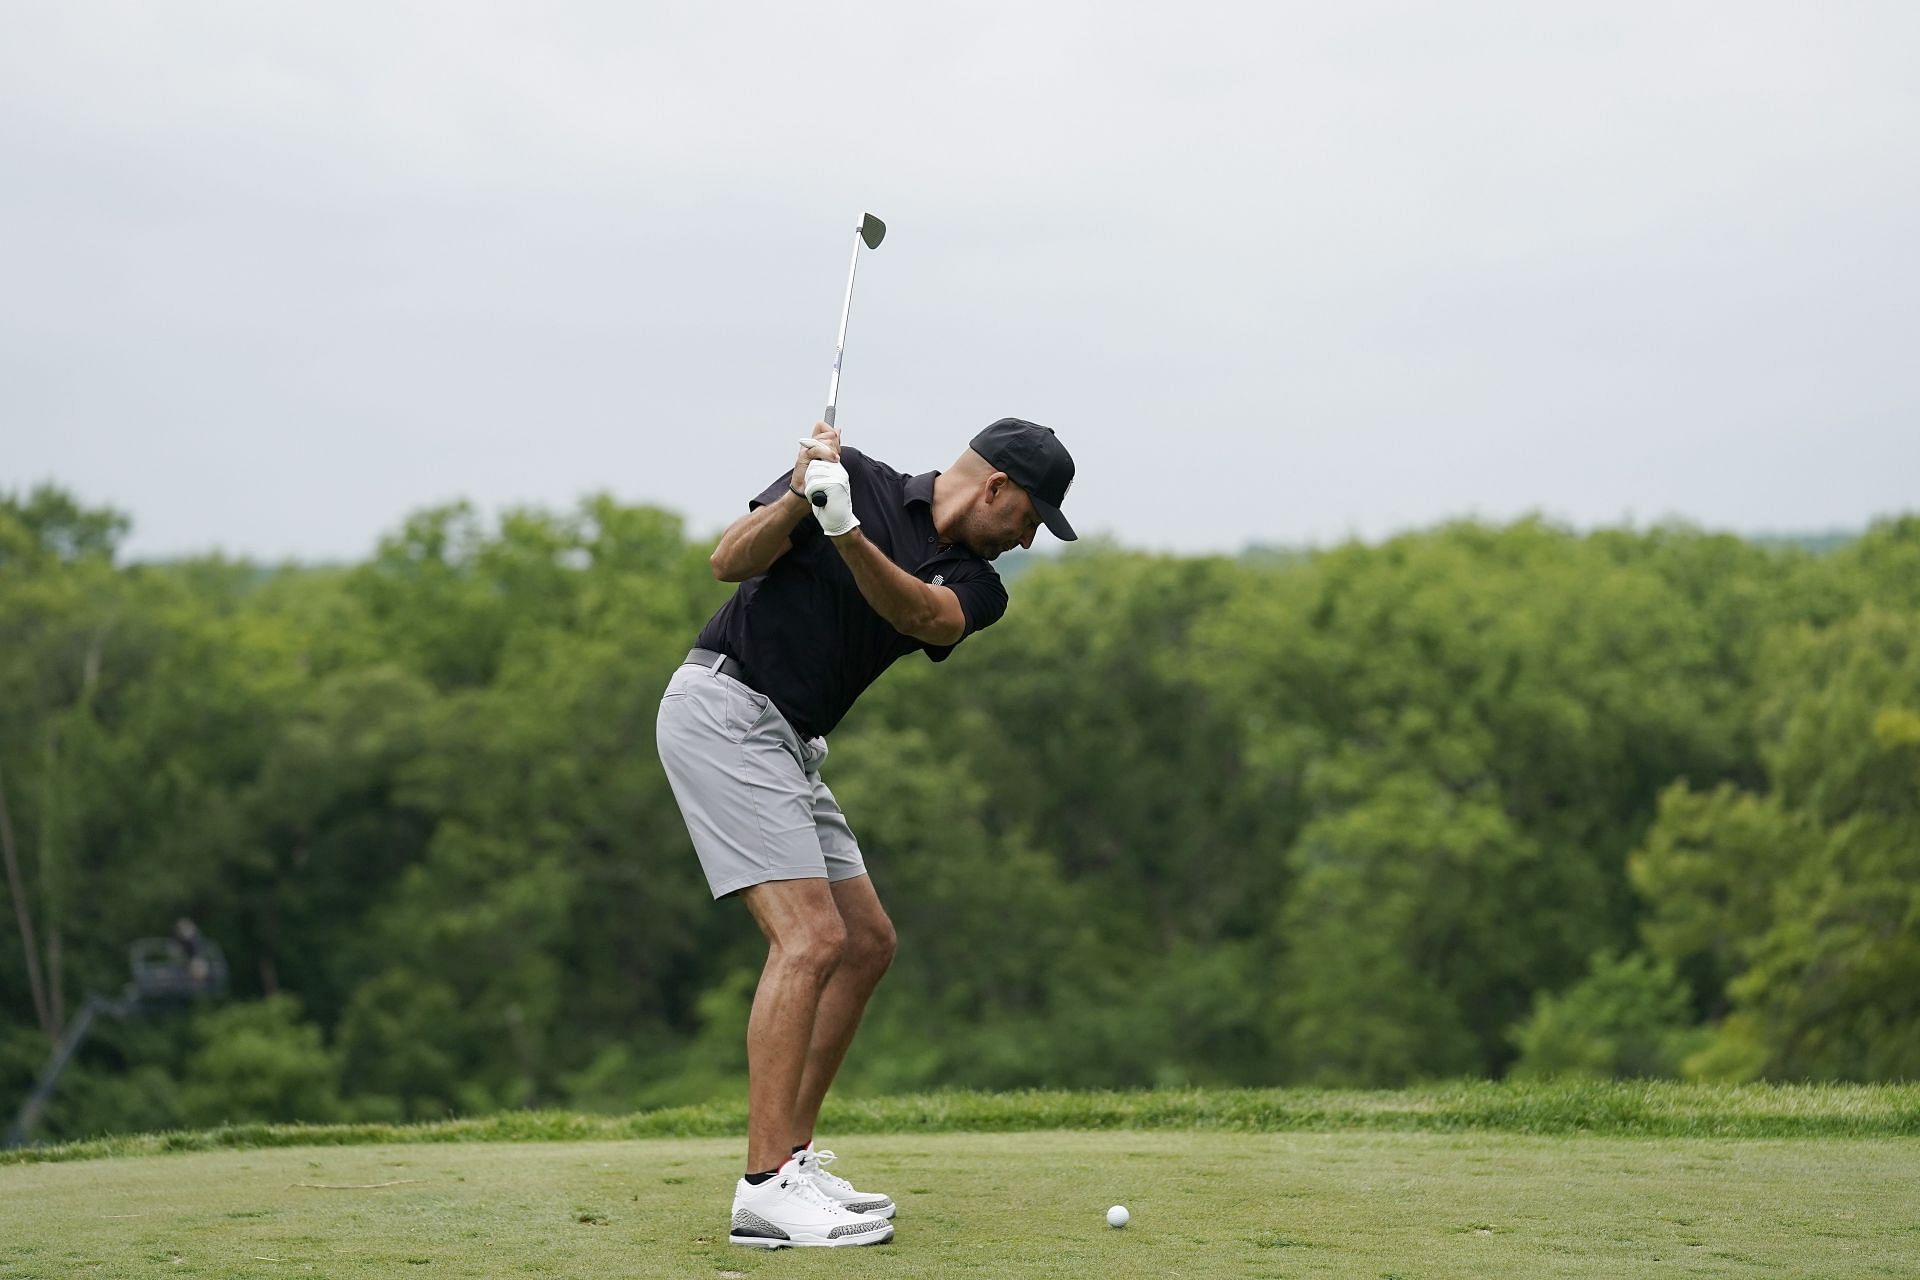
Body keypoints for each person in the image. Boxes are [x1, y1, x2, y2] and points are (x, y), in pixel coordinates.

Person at [656, 416, 1078, 1249]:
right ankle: (764, 1189)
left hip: (790, 742)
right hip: (723, 709)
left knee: (865, 941)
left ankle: (795, 1157)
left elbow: (924, 615)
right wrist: (798, 501)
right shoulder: (851, 477)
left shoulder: (976, 580)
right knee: (809, 939)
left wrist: (842, 532)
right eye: (1030, 517)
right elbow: (727, 563)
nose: (1028, 539)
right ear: (995, 487)